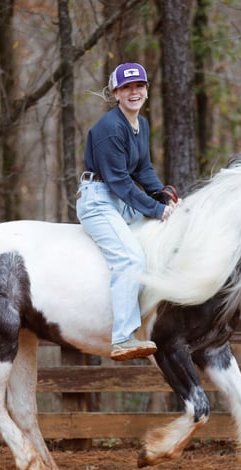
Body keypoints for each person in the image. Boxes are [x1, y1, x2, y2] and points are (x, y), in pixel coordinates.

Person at [77, 62, 179, 361]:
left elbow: (143, 169)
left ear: (146, 90)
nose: (134, 93)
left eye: (139, 86)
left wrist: (163, 195)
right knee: (130, 258)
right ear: (115, 93)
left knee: (169, 229)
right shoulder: (110, 128)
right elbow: (119, 181)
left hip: (119, 198)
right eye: (127, 88)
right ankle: (123, 337)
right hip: (98, 200)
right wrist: (155, 208)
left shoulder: (141, 125)